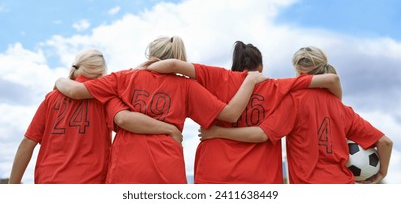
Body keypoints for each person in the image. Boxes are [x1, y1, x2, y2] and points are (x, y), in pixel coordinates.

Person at [54, 36, 265, 184]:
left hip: (127, 170)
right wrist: (250, 81)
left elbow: (76, 91)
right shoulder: (187, 86)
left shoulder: (124, 77)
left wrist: (60, 79)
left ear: (150, 55)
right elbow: (230, 114)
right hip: (168, 168)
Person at [146, 41, 342, 184]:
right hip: (260, 179)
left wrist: (142, 69)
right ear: (261, 67)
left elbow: (172, 65)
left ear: (234, 65)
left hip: (213, 174)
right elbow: (332, 80)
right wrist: (337, 110)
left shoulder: (214, 76)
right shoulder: (277, 86)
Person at [199, 46, 393, 184]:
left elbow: (261, 134)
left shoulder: (294, 101)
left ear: (299, 70)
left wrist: (217, 132)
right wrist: (382, 172)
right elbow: (385, 142)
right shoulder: (342, 108)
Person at [8, 48, 183, 184]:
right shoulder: (106, 98)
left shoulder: (51, 97)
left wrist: (13, 187)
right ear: (101, 72)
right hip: (90, 183)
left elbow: (27, 143)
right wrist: (169, 129)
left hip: (48, 182)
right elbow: (125, 120)